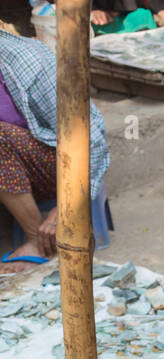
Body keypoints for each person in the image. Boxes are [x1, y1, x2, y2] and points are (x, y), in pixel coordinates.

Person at [0, 30, 110, 272]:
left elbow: (89, 137)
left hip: (56, 167)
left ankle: (37, 242)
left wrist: (65, 207)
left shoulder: (28, 61)